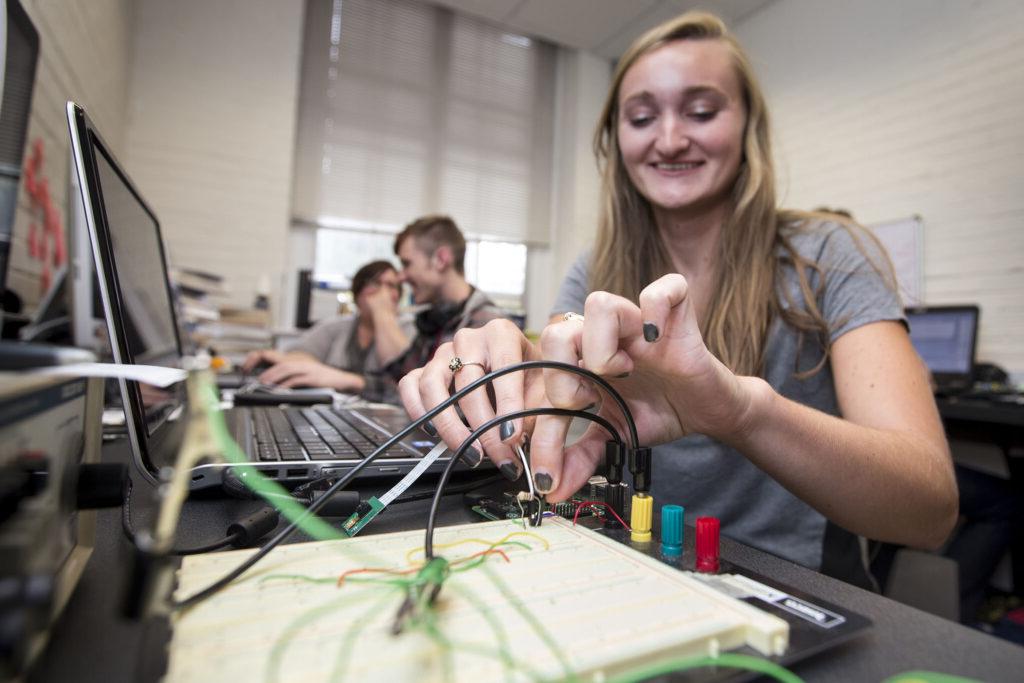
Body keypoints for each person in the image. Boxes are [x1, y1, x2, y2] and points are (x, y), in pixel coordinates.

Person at [397, 12, 958, 587]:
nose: (669, 139)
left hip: (794, 590)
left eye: (701, 111)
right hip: (632, 571)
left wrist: (741, 412)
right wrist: (502, 379)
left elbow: (931, 510)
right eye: (642, 117)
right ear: (616, 138)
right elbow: (548, 400)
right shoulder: (593, 271)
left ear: (748, 126)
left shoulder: (830, 255)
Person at [366, 214, 508, 403]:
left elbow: (434, 402)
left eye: (407, 264)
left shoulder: (485, 324)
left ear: (441, 259)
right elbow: (402, 379)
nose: (401, 277)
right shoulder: (435, 318)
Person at [242, 260, 413, 401]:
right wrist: (283, 359)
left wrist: (382, 313)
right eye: (375, 284)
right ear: (357, 292)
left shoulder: (409, 328)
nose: (383, 292)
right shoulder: (336, 327)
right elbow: (305, 354)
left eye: (391, 286)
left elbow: (402, 375)